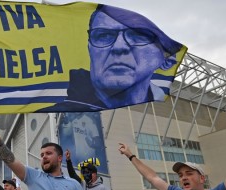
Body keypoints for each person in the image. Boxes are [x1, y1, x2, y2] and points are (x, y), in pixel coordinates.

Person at [39, 5, 183, 112]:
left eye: (138, 36)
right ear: (90, 49)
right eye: (103, 36)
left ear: (166, 60)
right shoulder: (54, 112)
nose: (119, 47)